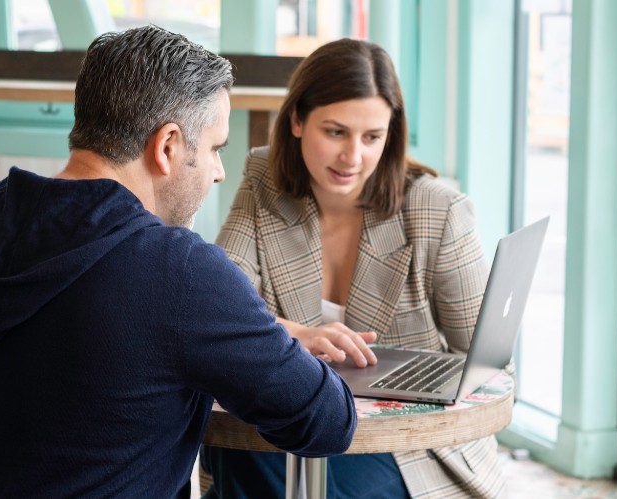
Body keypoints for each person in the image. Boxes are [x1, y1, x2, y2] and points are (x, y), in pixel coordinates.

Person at [0, 25, 358, 498]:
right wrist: (265, 336)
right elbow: (327, 422)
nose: (219, 171)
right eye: (215, 147)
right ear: (168, 146)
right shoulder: (180, 272)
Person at [203, 38, 507, 498]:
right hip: (297, 419)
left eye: (372, 137)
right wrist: (296, 334)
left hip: (407, 446)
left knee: (264, 465)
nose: (353, 157)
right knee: (248, 449)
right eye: (336, 132)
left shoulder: (438, 211)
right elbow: (219, 310)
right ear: (297, 120)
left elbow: (487, 365)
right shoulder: (265, 178)